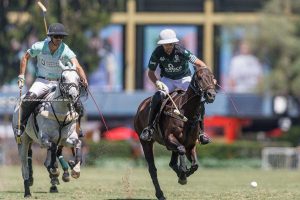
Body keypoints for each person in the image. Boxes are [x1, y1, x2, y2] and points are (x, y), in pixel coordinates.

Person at [140, 28, 214, 144]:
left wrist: (210, 77)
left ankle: (201, 133)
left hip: (184, 79)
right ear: (162, 44)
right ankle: (150, 128)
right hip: (168, 80)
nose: (168, 47)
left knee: (198, 100)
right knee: (157, 97)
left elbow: (200, 64)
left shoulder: (182, 51)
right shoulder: (157, 53)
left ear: (174, 43)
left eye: (170, 44)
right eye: (166, 45)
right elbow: (150, 73)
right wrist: (157, 82)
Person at [15, 23, 88, 137]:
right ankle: (22, 124)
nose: (59, 39)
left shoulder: (65, 50)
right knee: (28, 100)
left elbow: (77, 66)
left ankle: (77, 128)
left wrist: (84, 78)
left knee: (77, 103)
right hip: (42, 81)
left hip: (59, 83)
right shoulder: (39, 46)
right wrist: (21, 76)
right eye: (56, 36)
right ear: (50, 36)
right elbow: (25, 57)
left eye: (61, 37)